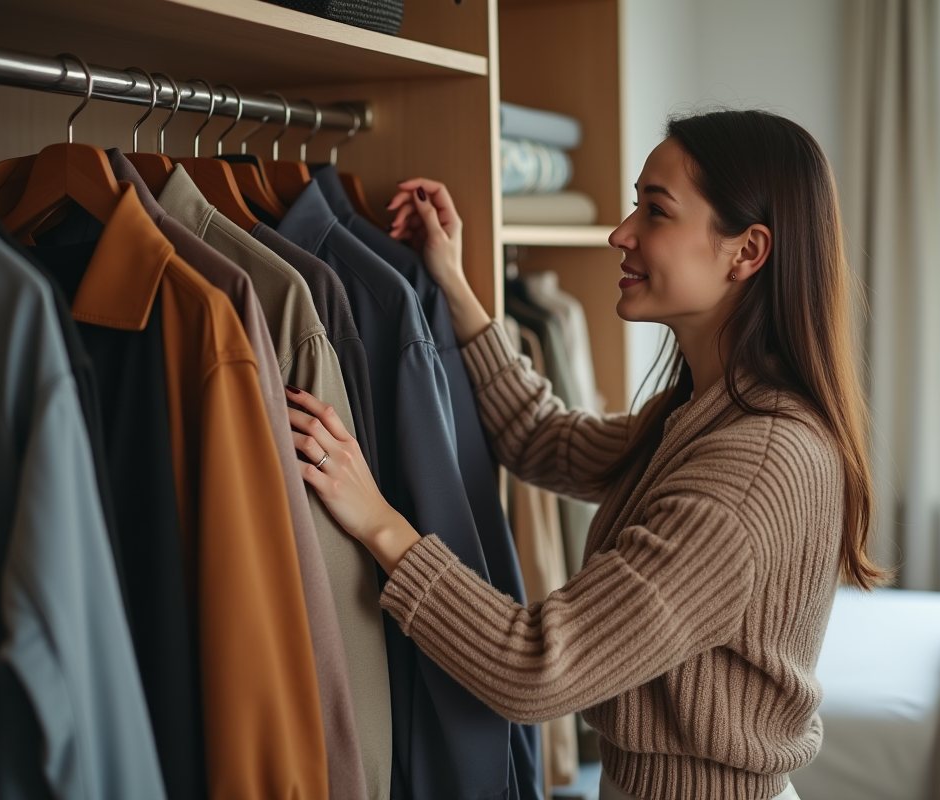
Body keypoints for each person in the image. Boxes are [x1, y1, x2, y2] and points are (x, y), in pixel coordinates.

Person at [285, 109, 888, 800]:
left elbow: (535, 668)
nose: (620, 234)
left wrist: (378, 522)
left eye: (655, 212)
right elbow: (544, 438)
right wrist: (453, 284)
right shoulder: (713, 412)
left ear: (746, 251)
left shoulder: (753, 466)